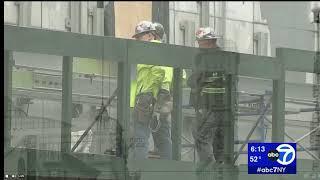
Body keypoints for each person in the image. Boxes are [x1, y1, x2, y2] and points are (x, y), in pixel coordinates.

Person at [128, 21, 172, 161]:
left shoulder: (154, 50)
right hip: (156, 101)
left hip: (148, 100)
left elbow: (163, 75)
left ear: (150, 35)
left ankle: (139, 170)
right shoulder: (159, 51)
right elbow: (178, 77)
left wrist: (156, 100)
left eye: (140, 36)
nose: (137, 40)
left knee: (140, 137)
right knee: (162, 137)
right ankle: (169, 170)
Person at [187, 27, 225, 169]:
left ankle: (209, 170)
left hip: (209, 106)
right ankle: (220, 171)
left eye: (201, 42)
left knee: (201, 135)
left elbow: (193, 80)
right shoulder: (224, 58)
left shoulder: (206, 58)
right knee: (218, 143)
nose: (199, 45)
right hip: (224, 107)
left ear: (209, 42)